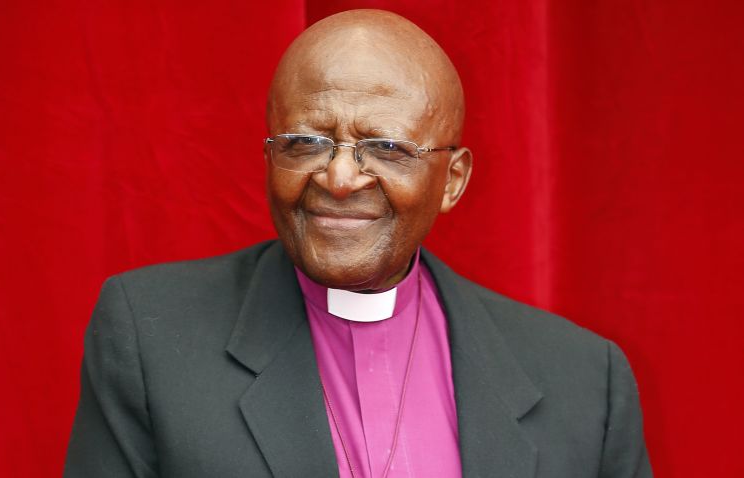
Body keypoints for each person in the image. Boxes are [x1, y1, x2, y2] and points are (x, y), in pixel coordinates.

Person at [64, 9, 651, 478]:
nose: (340, 179)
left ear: (452, 181)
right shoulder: (151, 339)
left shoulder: (584, 381)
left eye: (388, 149)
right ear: (268, 157)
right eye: (305, 142)